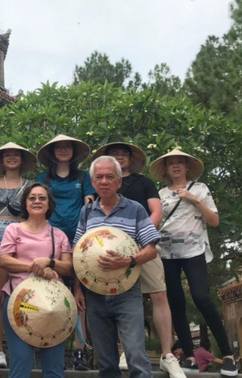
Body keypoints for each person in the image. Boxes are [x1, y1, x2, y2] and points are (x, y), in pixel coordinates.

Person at [94, 143, 185, 378]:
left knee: (158, 293)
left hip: (142, 244)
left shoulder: (143, 183)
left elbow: (156, 211)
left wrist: (140, 235)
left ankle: (167, 354)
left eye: (123, 154)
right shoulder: (97, 194)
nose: (119, 157)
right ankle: (126, 351)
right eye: (115, 154)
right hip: (112, 255)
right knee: (114, 295)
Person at [149, 149, 238, 377]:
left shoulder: (200, 188)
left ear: (187, 167)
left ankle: (228, 354)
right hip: (167, 253)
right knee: (176, 302)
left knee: (201, 297)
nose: (176, 166)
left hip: (194, 251)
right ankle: (188, 355)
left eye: (180, 163)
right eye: (171, 164)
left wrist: (194, 200)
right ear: (166, 169)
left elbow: (214, 221)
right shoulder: (160, 193)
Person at [72, 156, 160, 378]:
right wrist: (77, 289)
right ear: (92, 182)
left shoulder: (135, 209)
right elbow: (77, 255)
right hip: (95, 294)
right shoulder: (86, 212)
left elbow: (151, 250)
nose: (104, 181)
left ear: (119, 182)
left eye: (110, 177)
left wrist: (127, 261)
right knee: (107, 363)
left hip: (127, 293)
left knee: (137, 358)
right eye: (99, 177)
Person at [0, 182, 73, 378]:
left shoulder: (59, 235)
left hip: (53, 306)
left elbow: (69, 267)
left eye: (42, 198)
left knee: (54, 366)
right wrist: (35, 267)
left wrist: (50, 263)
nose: (37, 201)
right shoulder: (13, 229)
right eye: (32, 198)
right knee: (21, 361)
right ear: (25, 204)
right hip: (19, 302)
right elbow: (3, 260)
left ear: (49, 205)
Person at [36, 134, 95, 370]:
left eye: (67, 147)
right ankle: (46, 342)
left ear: (73, 152)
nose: (63, 150)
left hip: (79, 239)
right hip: (50, 240)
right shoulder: (43, 178)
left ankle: (80, 351)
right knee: (50, 293)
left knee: (79, 296)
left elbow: (89, 201)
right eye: (58, 147)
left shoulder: (83, 178)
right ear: (52, 152)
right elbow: (39, 203)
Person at [0, 142, 37, 369]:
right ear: (2, 159)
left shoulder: (31, 185)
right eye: (8, 155)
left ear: (22, 160)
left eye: (16, 155)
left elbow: (36, 214)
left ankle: (24, 347)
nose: (12, 158)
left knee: (25, 294)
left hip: (23, 236)